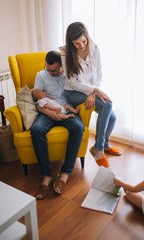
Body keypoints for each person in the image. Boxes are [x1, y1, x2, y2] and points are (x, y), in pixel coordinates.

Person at [60, 22, 121, 168]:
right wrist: (94, 91)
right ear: (70, 41)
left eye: (83, 41)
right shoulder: (65, 53)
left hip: (90, 91)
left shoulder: (95, 49)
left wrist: (93, 91)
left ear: (87, 36)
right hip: (73, 92)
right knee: (109, 105)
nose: (81, 45)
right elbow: (72, 82)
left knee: (112, 117)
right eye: (76, 43)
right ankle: (99, 150)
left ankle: (103, 145)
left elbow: (99, 74)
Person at [30, 50, 84, 200]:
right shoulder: (41, 75)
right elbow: (37, 101)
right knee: (36, 130)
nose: (50, 72)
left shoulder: (69, 74)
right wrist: (51, 114)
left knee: (78, 127)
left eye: (54, 70)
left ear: (61, 65)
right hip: (48, 111)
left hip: (66, 111)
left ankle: (65, 174)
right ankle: (47, 176)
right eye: (48, 69)